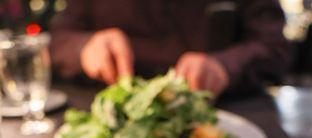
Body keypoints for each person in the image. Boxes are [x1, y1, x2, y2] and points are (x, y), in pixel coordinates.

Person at [50, 0, 290, 97]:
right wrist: (84, 47)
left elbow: (275, 48)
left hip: (227, 110)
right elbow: (58, 40)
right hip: (113, 121)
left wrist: (224, 66)